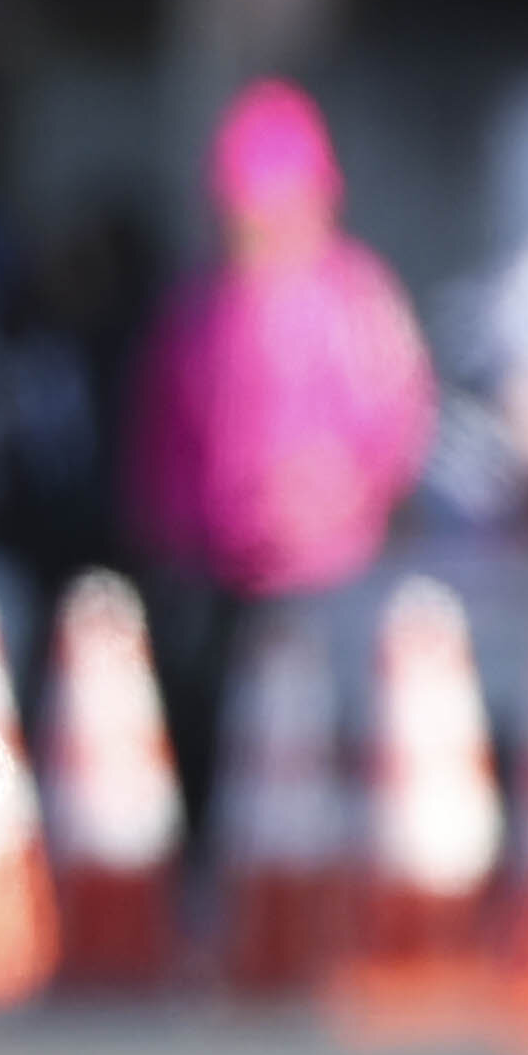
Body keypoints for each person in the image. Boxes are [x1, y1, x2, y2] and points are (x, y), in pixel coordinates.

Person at [122, 81, 438, 831]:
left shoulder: (355, 299)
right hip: (220, 591)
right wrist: (172, 547)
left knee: (331, 775)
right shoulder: (198, 311)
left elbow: (401, 426)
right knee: (223, 779)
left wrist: (340, 499)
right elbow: (161, 451)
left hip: (332, 584)